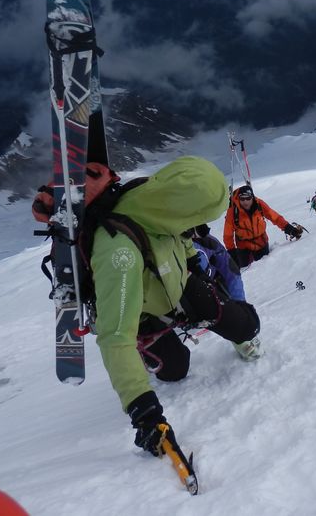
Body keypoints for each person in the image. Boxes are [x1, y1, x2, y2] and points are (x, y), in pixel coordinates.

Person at [90, 156, 261, 458]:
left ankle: (220, 323)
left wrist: (193, 259)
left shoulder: (157, 200)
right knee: (174, 370)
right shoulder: (119, 253)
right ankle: (150, 349)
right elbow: (116, 336)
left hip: (181, 282)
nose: (199, 226)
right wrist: (143, 411)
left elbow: (176, 232)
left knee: (248, 325)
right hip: (144, 310)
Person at [186, 223, 262, 360]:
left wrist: (240, 302)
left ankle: (241, 337)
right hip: (184, 300)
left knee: (246, 322)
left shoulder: (206, 241)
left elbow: (230, 270)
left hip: (212, 289)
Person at [223, 184, 303, 268]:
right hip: (243, 248)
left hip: (261, 243)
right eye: (242, 199)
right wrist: (232, 252)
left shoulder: (259, 205)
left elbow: (275, 217)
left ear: (252, 197)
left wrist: (289, 228)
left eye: (248, 198)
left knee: (265, 269)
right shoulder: (232, 211)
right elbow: (227, 235)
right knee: (246, 273)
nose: (245, 201)